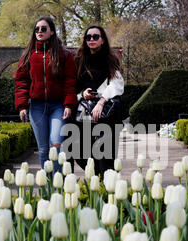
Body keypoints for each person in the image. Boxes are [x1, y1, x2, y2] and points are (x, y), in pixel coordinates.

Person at [14, 16, 77, 172]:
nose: (39, 31)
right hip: (36, 106)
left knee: (55, 144)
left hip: (58, 106)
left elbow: (70, 81)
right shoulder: (28, 56)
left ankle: (58, 184)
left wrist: (69, 103)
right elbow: (21, 82)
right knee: (43, 150)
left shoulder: (64, 55)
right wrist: (22, 106)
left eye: (43, 29)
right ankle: (48, 188)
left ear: (52, 31)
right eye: (37, 29)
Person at [73, 25, 124, 175]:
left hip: (106, 113)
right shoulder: (78, 61)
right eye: (88, 37)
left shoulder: (111, 60)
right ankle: (98, 178)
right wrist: (82, 94)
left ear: (102, 40)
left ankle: (106, 186)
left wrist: (101, 101)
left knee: (105, 156)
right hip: (84, 113)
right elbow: (72, 86)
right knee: (81, 154)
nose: (91, 40)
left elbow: (117, 85)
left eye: (96, 36)